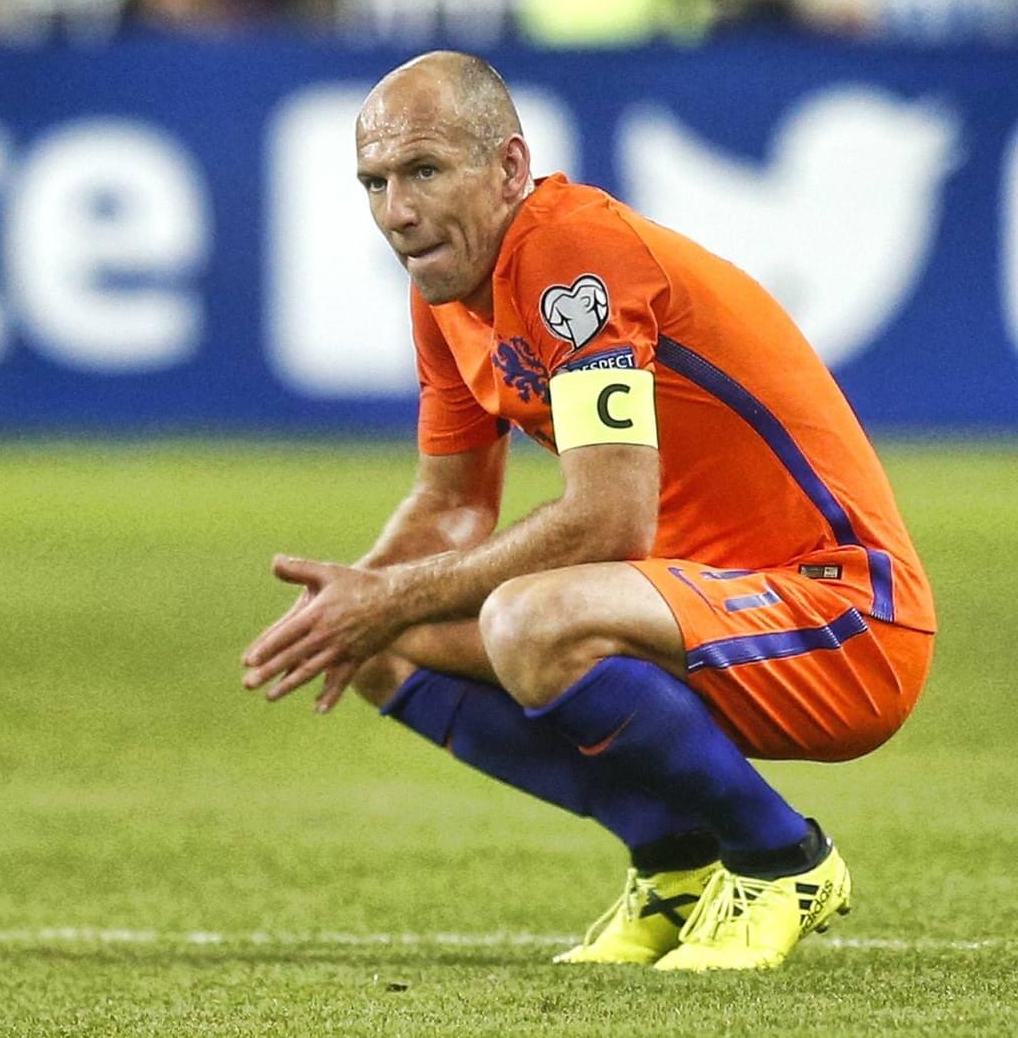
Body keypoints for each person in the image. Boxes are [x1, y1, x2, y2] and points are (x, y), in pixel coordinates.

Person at [240, 50, 935, 971]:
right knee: (385, 640)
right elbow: (450, 508)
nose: (396, 213)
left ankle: (782, 860)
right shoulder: (445, 295)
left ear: (510, 169)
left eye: (424, 171)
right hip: (696, 607)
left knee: (530, 618)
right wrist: (355, 607)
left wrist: (390, 594)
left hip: (842, 617)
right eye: (374, 182)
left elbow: (610, 520)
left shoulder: (571, 253)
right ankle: (678, 864)